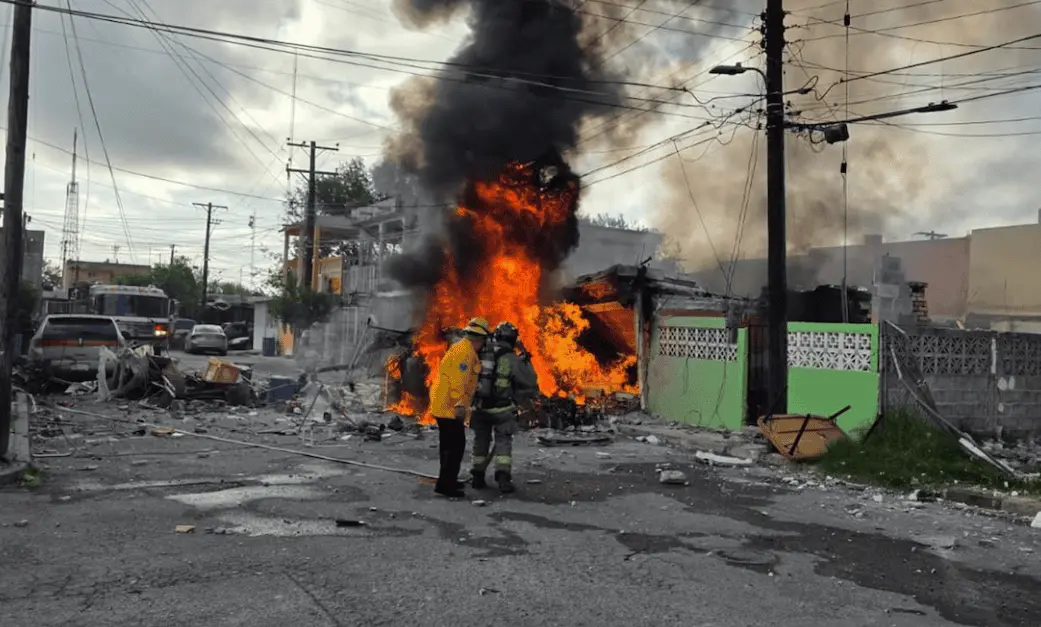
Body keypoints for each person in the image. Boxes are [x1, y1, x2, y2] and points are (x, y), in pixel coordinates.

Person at [470, 321, 539, 494]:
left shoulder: (482, 354)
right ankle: (503, 479)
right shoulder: (512, 359)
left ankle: (477, 477)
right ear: (513, 339)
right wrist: (526, 359)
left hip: (480, 408)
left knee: (480, 442)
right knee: (503, 442)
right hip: (502, 410)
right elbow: (530, 382)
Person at [428, 317, 491, 498]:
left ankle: (446, 481)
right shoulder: (466, 353)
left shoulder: (462, 348)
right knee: (455, 447)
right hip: (450, 407)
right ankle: (446, 486)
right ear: (479, 339)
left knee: (448, 446)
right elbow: (459, 382)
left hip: (444, 404)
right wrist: (460, 405)